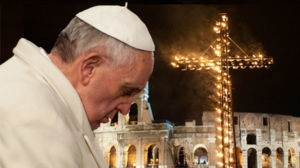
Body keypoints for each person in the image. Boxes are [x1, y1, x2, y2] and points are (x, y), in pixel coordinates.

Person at [0, 4, 154, 168]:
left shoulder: (58, 106)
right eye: (126, 91)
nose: (126, 110)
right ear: (89, 69)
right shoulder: (31, 114)